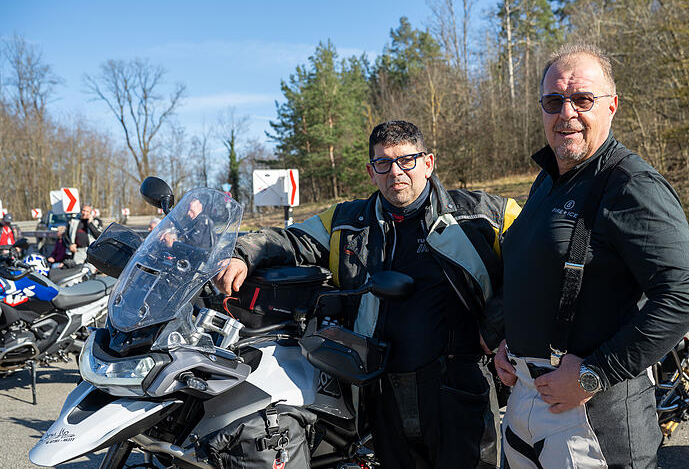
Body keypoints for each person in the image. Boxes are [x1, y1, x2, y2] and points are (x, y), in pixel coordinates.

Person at [214, 120, 521, 468]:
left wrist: (495, 327)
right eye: (383, 163)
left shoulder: (482, 214)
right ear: (371, 172)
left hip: (459, 389)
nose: (396, 172)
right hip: (381, 392)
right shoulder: (346, 221)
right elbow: (291, 239)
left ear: (428, 163)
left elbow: (539, 260)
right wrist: (242, 253)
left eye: (406, 160)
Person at [493, 43, 689, 468]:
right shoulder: (547, 181)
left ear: (611, 106)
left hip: (595, 417)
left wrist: (596, 373)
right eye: (553, 101)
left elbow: (683, 296)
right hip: (525, 404)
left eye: (582, 99)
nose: (566, 113)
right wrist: (509, 341)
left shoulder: (631, 184)